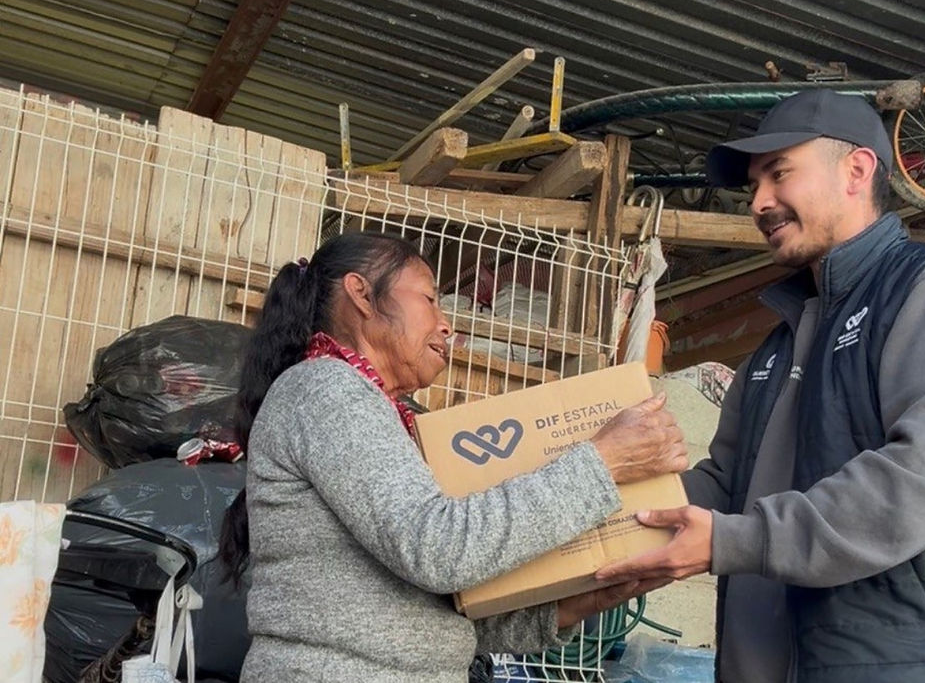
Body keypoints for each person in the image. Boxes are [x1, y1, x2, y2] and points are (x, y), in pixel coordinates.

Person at [595, 89, 925, 683]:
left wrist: (735, 541)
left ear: (856, 170)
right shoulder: (775, 349)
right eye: (754, 185)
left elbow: (918, 481)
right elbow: (724, 488)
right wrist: (592, 504)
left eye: (779, 174)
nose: (760, 202)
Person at [217, 230, 688, 682]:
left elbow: (434, 613)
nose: (446, 323)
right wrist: (602, 462)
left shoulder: (379, 411)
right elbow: (437, 550)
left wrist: (579, 602)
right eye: (428, 299)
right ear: (361, 295)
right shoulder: (326, 390)